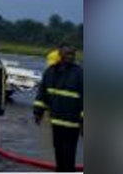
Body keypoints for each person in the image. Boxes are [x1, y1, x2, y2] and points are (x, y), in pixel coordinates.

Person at [34, 42, 83, 172]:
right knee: (59, 154)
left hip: (72, 124)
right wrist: (38, 111)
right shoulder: (50, 72)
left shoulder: (80, 73)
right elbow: (42, 93)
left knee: (69, 156)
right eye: (68, 54)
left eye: (73, 54)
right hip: (56, 122)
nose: (71, 57)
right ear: (60, 54)